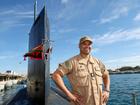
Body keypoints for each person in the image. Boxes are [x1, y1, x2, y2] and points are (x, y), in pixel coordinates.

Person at [52, 36, 110, 105]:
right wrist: (69, 94)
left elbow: (106, 75)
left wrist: (106, 90)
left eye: (89, 44)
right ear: (79, 46)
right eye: (84, 44)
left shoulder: (97, 62)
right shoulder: (72, 62)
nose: (87, 46)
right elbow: (56, 75)